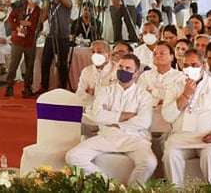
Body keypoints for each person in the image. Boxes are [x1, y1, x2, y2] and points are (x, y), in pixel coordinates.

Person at [66, 54, 156, 186]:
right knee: (73, 156)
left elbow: (144, 122)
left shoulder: (144, 96)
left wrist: (113, 119)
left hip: (135, 138)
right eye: (120, 66)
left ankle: (132, 189)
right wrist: (125, 116)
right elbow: (97, 116)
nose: (122, 70)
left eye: (128, 68)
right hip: (107, 135)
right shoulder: (105, 91)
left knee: (149, 162)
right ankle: (109, 185)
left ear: (136, 73)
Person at [162, 48, 211, 186]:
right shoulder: (174, 86)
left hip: (210, 138)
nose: (190, 68)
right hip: (181, 138)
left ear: (204, 65)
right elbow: (167, 116)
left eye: (194, 65)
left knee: (210, 156)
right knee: (170, 154)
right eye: (186, 65)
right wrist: (185, 95)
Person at [37, 0, 72, 93]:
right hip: (51, 36)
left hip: (63, 36)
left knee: (62, 63)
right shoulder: (51, 3)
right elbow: (43, 18)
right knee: (45, 62)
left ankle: (62, 86)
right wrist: (48, 2)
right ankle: (44, 85)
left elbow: (68, 4)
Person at [4, 0, 41, 98]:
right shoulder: (20, 5)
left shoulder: (39, 11)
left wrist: (31, 25)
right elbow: (11, 19)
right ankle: (9, 86)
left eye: (33, 4)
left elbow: (40, 25)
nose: (31, 5)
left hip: (30, 41)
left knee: (30, 65)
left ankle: (27, 87)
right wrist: (17, 28)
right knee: (13, 64)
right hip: (18, 40)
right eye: (30, 2)